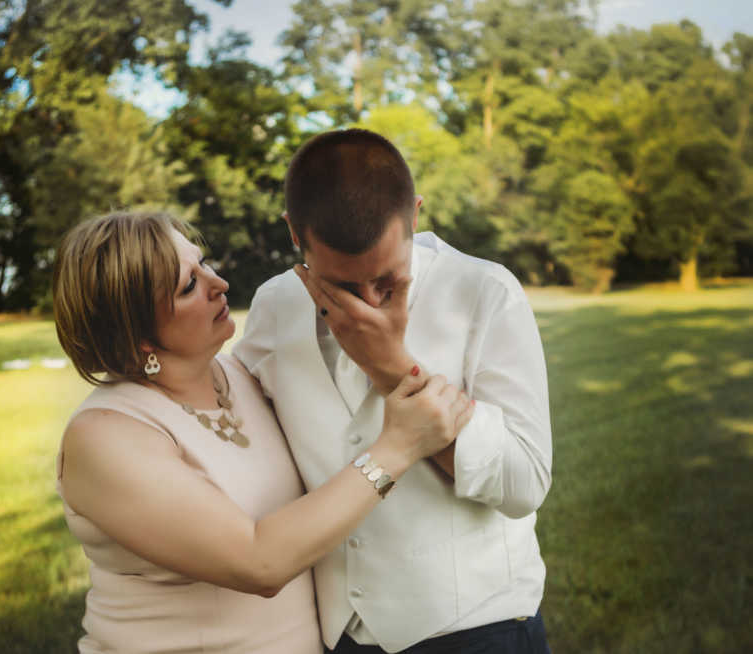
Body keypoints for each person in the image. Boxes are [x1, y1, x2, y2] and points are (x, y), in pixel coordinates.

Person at [51, 210, 474, 654]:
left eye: (203, 264)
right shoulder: (106, 437)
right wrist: (397, 448)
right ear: (137, 335)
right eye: (189, 285)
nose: (219, 285)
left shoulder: (245, 377)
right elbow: (258, 562)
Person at [234, 128, 553, 654]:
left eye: (386, 280)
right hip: (341, 635)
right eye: (340, 285)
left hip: (479, 629)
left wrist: (391, 370)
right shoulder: (273, 307)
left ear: (416, 216)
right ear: (294, 233)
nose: (366, 304)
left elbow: (524, 484)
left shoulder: (485, 292)